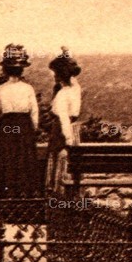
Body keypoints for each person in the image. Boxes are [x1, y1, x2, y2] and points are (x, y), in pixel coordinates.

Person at [0, 44, 41, 200]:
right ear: (22, 70)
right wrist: (32, 130)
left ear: (5, 70)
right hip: (24, 128)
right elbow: (34, 114)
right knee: (24, 161)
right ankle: (25, 198)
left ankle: (6, 197)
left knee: (7, 160)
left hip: (6, 127)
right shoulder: (28, 89)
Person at [45, 48, 82, 192]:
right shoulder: (76, 90)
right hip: (74, 130)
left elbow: (64, 119)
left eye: (55, 73)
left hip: (61, 132)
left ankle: (57, 194)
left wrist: (68, 141)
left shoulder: (62, 95)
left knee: (58, 164)